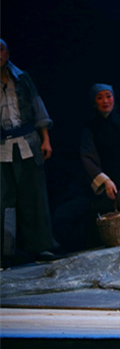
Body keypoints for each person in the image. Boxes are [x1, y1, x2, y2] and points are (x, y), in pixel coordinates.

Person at [0, 39, 58, 266]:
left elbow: (38, 108)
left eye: (1, 50)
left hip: (27, 142)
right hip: (2, 147)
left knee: (34, 197)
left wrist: (46, 140)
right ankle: (5, 252)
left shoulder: (22, 78)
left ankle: (41, 246)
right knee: (4, 200)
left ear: (8, 53)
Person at [80, 84, 120, 244]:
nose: (105, 101)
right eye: (100, 97)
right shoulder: (90, 128)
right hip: (107, 189)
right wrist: (105, 181)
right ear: (94, 103)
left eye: (108, 96)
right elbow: (88, 158)